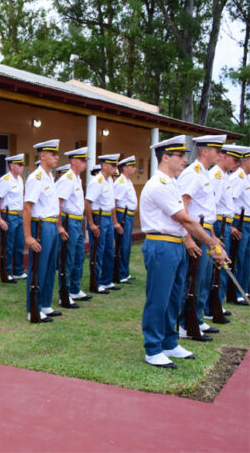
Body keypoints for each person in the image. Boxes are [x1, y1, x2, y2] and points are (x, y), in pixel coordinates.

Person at [139, 135, 228, 368]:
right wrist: (213, 244)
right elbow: (185, 219)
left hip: (175, 243)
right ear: (165, 157)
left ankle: (169, 342)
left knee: (174, 297)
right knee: (158, 298)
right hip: (162, 245)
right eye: (180, 156)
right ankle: (153, 348)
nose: (184, 160)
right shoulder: (158, 184)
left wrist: (210, 241)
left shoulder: (172, 183)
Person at [176, 134, 224, 341]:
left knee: (203, 279)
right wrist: (188, 238)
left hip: (204, 231)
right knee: (192, 280)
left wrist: (212, 237)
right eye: (217, 151)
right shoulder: (193, 173)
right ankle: (184, 324)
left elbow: (206, 211)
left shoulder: (204, 173)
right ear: (205, 151)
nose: (220, 155)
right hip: (194, 233)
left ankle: (197, 318)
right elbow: (183, 206)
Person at [23, 139, 65, 322]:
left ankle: (46, 304)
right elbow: (27, 207)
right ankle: (33, 308)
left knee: (49, 267)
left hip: (51, 225)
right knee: (38, 267)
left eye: (57, 154)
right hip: (41, 226)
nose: (56, 157)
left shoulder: (49, 177)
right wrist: (28, 236)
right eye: (52, 154)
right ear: (42, 156)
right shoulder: (36, 178)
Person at [208, 144, 242, 320]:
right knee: (217, 267)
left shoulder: (224, 176)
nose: (237, 163)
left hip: (225, 224)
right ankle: (212, 306)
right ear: (223, 157)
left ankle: (217, 304)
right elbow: (210, 205)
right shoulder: (216, 176)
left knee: (222, 266)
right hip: (218, 224)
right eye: (234, 159)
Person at [56, 146, 92, 303]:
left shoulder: (77, 178)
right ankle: (64, 294)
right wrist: (59, 226)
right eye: (82, 160)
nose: (85, 163)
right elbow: (58, 202)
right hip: (69, 221)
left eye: (86, 160)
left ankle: (75, 289)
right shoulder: (67, 179)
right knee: (68, 258)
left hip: (77, 221)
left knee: (79, 256)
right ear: (73, 161)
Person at [85, 153, 124, 294]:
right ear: (104, 165)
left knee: (109, 250)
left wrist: (115, 222)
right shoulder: (97, 181)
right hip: (99, 218)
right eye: (113, 165)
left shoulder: (109, 181)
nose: (115, 168)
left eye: (116, 165)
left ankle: (106, 280)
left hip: (107, 218)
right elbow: (87, 203)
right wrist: (91, 224)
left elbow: (111, 204)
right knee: (98, 250)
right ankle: (95, 282)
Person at [0, 153, 27, 283]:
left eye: (22, 164)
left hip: (19, 215)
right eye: (20, 164)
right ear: (12, 166)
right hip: (8, 215)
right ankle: (6, 273)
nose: (22, 167)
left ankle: (18, 271)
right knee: (8, 245)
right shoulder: (5, 180)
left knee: (19, 244)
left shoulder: (20, 180)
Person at [227, 145, 250, 305]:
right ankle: (236, 292)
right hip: (239, 222)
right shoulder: (238, 178)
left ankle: (244, 290)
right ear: (246, 160)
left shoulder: (246, 177)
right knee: (239, 258)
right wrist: (231, 225)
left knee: (247, 258)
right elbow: (230, 201)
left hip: (247, 222)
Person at [113, 155, 138, 284]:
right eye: (131, 166)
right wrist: (115, 222)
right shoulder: (121, 183)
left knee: (127, 244)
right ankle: (120, 274)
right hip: (122, 215)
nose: (134, 168)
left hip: (128, 215)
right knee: (122, 245)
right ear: (125, 168)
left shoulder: (127, 181)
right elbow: (113, 202)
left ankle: (125, 272)